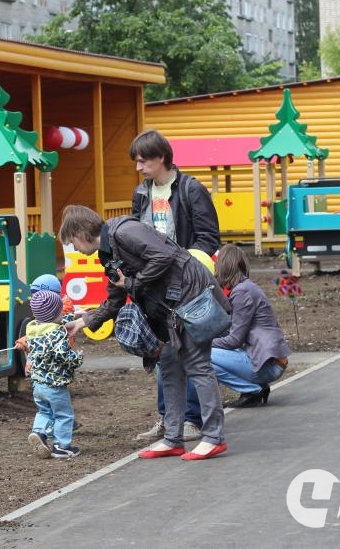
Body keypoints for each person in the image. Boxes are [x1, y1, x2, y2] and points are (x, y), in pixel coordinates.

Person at [60, 204, 230, 460]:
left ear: (82, 232)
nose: (73, 248)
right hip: (170, 311)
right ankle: (173, 438)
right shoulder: (108, 253)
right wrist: (83, 321)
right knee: (170, 366)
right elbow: (116, 296)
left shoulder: (124, 232)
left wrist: (132, 283)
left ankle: (213, 438)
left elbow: (163, 256)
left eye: (72, 241)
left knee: (198, 365)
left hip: (189, 300)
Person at [129, 128, 221, 443]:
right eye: (137, 162)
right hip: (154, 287)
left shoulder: (191, 189)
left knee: (192, 354)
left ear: (162, 158)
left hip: (186, 286)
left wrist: (186, 267)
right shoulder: (141, 194)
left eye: (143, 161)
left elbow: (209, 237)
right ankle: (170, 420)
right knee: (162, 354)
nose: (139, 168)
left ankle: (193, 419)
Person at [210, 244, 291, 407]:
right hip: (270, 360)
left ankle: (252, 390)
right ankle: (254, 388)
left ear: (224, 266)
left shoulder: (242, 292)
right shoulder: (246, 287)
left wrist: (204, 342)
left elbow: (234, 340)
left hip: (269, 364)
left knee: (200, 356)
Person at [26, 290, 84, 459]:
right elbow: (64, 357)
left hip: (38, 385)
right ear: (56, 313)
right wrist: (77, 357)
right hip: (54, 385)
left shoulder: (34, 330)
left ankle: (39, 433)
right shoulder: (56, 335)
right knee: (64, 415)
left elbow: (56, 322)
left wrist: (74, 316)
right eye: (61, 312)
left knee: (44, 412)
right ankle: (61, 447)